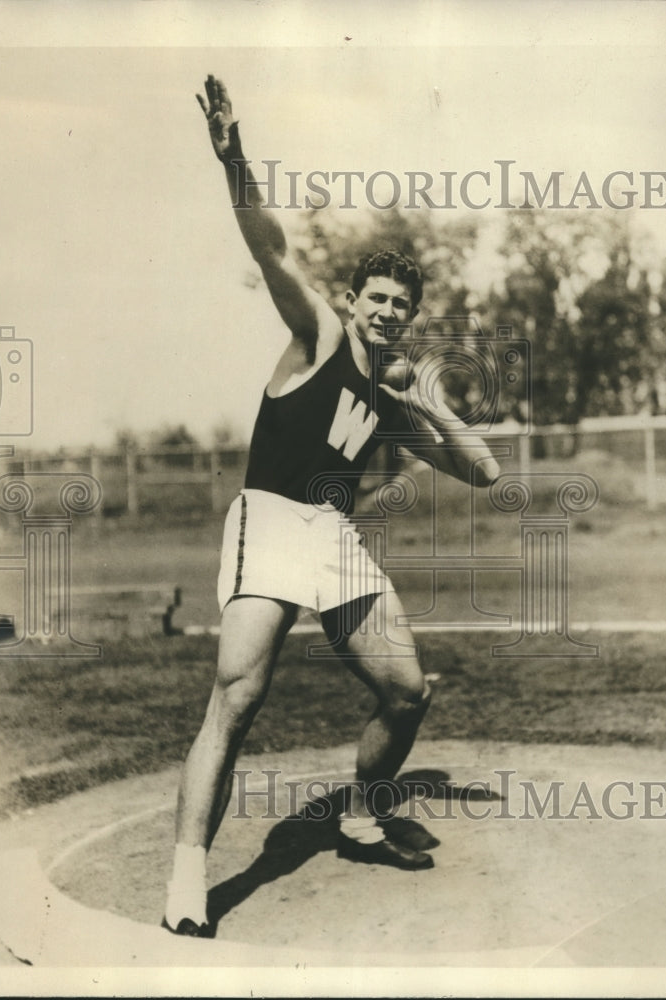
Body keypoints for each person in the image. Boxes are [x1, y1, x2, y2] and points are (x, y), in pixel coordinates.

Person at [162, 75, 500, 938]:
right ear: (353, 302)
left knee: (406, 691)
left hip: (332, 537)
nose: (387, 312)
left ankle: (360, 814)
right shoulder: (317, 333)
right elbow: (269, 245)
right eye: (376, 299)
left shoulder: (390, 398)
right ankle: (188, 878)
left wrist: (425, 398)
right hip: (272, 519)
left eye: (401, 306)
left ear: (410, 319)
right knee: (238, 696)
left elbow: (483, 471)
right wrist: (233, 156)